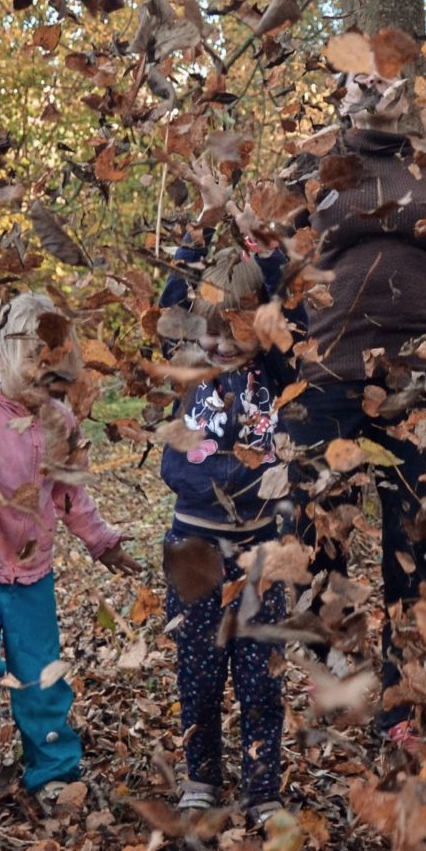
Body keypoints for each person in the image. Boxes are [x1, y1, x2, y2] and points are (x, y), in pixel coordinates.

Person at [281, 67, 426, 752]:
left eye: (388, 79)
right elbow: (276, 267)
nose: (376, 91)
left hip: (425, 380)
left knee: (413, 542)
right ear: (342, 100)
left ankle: (403, 701)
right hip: (329, 375)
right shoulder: (314, 168)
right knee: (315, 525)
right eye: (359, 81)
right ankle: (332, 663)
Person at [0, 293, 140, 812]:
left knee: (42, 671)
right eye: (35, 360)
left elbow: (71, 493)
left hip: (30, 575)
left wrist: (102, 542)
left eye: (57, 369)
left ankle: (51, 768)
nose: (47, 379)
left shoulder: (61, 423)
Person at [160, 251, 297, 820]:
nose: (223, 344)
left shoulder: (277, 375)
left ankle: (263, 788)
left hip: (259, 551)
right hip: (194, 546)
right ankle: (202, 777)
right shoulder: (191, 366)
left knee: (260, 674)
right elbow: (169, 305)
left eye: (237, 330)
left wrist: (261, 249)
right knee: (198, 667)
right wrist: (193, 245)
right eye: (213, 331)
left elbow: (295, 304)